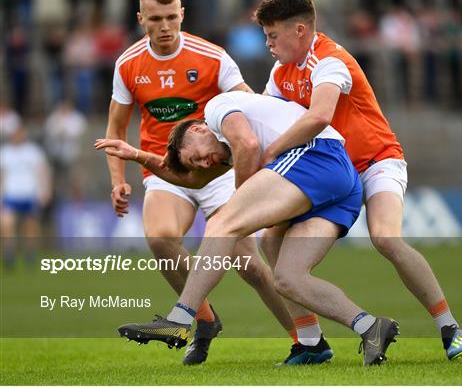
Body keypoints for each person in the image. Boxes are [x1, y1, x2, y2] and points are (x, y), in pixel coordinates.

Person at [96, 91, 400, 366]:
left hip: (317, 157)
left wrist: (239, 201)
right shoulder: (220, 151)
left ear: (199, 129)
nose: (204, 164)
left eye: (197, 156)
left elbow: (249, 144)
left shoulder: (216, 109)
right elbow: (192, 180)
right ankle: (361, 329)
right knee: (287, 277)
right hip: (342, 187)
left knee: (222, 223)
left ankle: (179, 320)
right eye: (198, 164)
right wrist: (137, 154)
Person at [253, 0, 462, 360]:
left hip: (376, 161)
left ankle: (449, 327)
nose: (268, 44)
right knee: (270, 241)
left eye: (273, 35)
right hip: (333, 174)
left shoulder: (331, 61)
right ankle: (310, 343)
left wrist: (270, 152)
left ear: (300, 31)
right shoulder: (280, 72)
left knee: (385, 238)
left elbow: (319, 115)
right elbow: (267, 118)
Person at [105, 0, 295, 365]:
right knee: (159, 238)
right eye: (155, 18)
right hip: (165, 170)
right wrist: (118, 181)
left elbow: (250, 105)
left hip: (217, 171)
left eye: (171, 17)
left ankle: (305, 339)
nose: (164, 26)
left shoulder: (212, 57)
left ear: (182, 15)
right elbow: (115, 129)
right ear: (141, 18)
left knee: (251, 267)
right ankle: (204, 319)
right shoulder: (128, 64)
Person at [0, 125, 51, 269]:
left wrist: (45, 190)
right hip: (11, 194)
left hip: (30, 194)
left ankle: (30, 254)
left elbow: (43, 172)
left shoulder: (33, 152)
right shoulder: (5, 152)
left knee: (31, 226)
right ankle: (9, 253)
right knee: (7, 224)